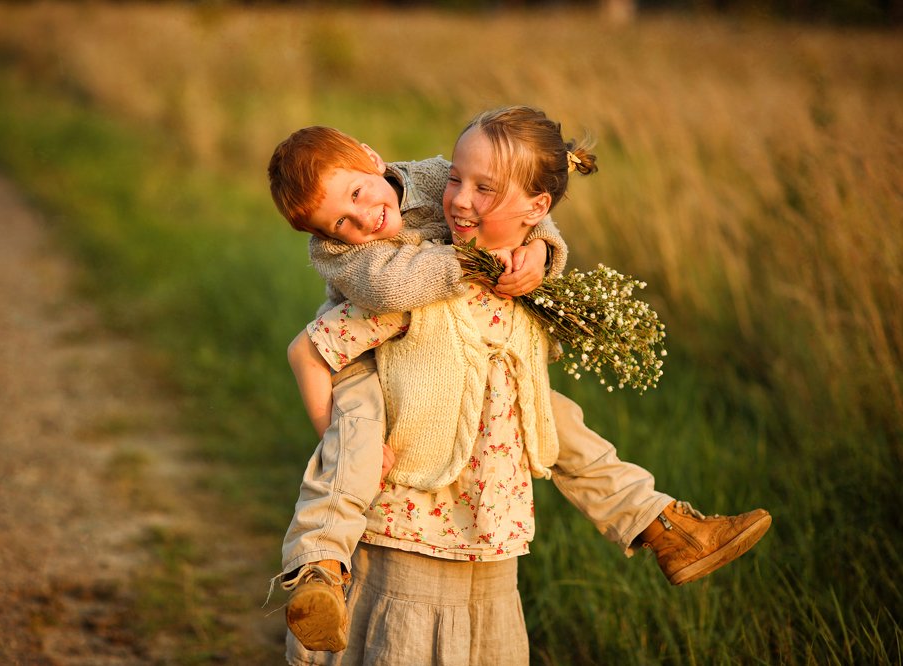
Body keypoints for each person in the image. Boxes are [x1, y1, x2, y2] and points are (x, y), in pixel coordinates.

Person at [268, 106, 772, 661]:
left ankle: (666, 528)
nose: (362, 221)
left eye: (359, 196)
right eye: (340, 221)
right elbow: (378, 296)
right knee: (356, 436)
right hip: (376, 363)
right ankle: (319, 568)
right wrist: (479, 261)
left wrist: (540, 251)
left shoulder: (435, 180)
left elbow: (528, 217)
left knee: (563, 426)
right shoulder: (360, 261)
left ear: (371, 158)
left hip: (473, 393)